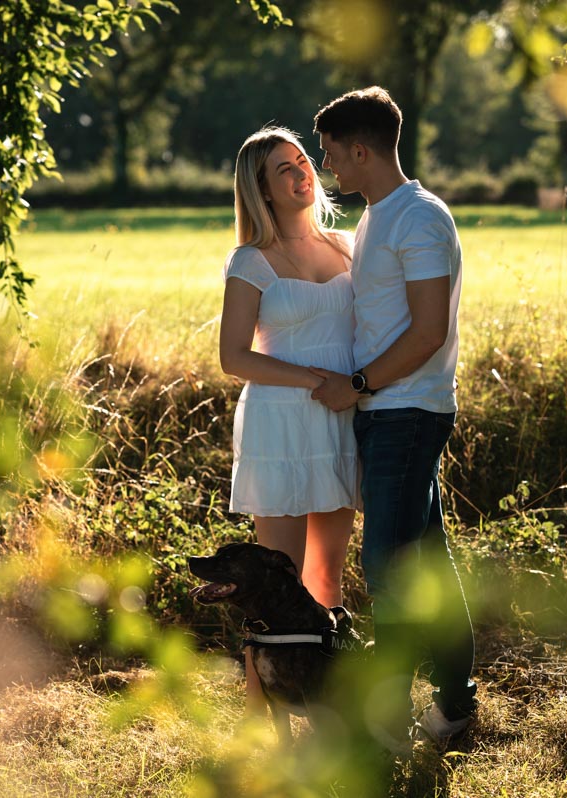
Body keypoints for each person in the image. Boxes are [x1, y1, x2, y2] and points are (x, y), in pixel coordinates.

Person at [310, 87, 477, 751]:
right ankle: (455, 706)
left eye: (331, 157)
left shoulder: (420, 218)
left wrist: (356, 386)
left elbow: (428, 331)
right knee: (428, 566)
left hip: (407, 412)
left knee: (385, 566)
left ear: (360, 149)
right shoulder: (376, 218)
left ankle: (387, 711)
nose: (329, 171)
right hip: (385, 412)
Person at [218, 126, 360, 715]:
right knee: (274, 587)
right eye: (284, 168)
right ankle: (257, 719)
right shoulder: (251, 261)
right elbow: (233, 356)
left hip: (340, 419)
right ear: (262, 191)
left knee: (328, 577)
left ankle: (328, 708)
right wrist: (315, 382)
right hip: (282, 423)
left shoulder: (349, 245)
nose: (303, 172)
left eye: (303, 160)